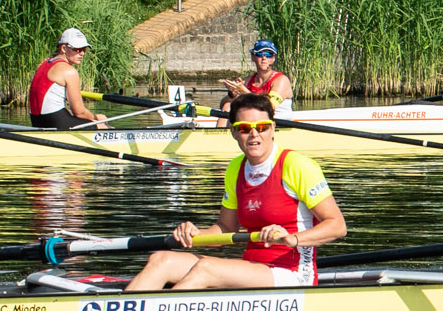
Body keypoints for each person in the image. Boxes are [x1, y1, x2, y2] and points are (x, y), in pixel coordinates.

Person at [127, 92, 346, 292]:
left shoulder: (296, 165)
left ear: (273, 128)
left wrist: (293, 239)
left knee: (207, 267)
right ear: (232, 131)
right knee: (161, 260)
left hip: (292, 272)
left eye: (261, 127)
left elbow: (337, 226)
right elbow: (225, 229)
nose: (254, 135)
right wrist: (195, 233)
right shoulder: (235, 168)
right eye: (244, 128)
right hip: (252, 267)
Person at [29, 27, 107, 129]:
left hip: (37, 121)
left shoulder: (44, 63)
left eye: (84, 49)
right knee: (102, 126)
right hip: (55, 122)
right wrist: (97, 117)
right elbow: (80, 112)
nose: (82, 53)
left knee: (78, 117)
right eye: (78, 49)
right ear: (64, 48)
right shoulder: (69, 71)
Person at [219, 37, 295, 117]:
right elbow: (222, 105)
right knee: (227, 105)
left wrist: (244, 91)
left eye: (269, 55)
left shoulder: (281, 80)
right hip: (254, 121)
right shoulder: (248, 80)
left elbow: (269, 107)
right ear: (253, 57)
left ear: (273, 59)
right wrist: (232, 95)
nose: (264, 58)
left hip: (277, 123)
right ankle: (223, 129)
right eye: (260, 54)